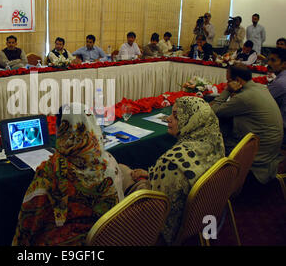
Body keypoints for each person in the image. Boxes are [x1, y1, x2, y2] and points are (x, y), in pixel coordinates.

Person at [12, 103, 123, 245]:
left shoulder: (50, 171)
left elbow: (29, 222)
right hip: (106, 237)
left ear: (62, 130)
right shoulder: (108, 161)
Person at [119, 97, 225, 244]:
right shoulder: (215, 141)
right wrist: (152, 173)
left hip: (164, 229)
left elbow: (156, 205)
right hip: (200, 215)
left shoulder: (172, 162)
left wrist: (142, 181)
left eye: (176, 116)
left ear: (192, 121)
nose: (168, 119)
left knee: (121, 171)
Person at [211, 64, 283, 184]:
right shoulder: (260, 87)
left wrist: (227, 90)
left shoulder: (245, 97)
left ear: (238, 80)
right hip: (270, 150)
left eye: (228, 80)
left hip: (258, 157)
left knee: (213, 140)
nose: (227, 83)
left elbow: (213, 111)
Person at [267, 48, 286, 145]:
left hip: (282, 130)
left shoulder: (281, 82)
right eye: (269, 59)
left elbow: (263, 99)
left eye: (273, 60)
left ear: (284, 64)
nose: (269, 63)